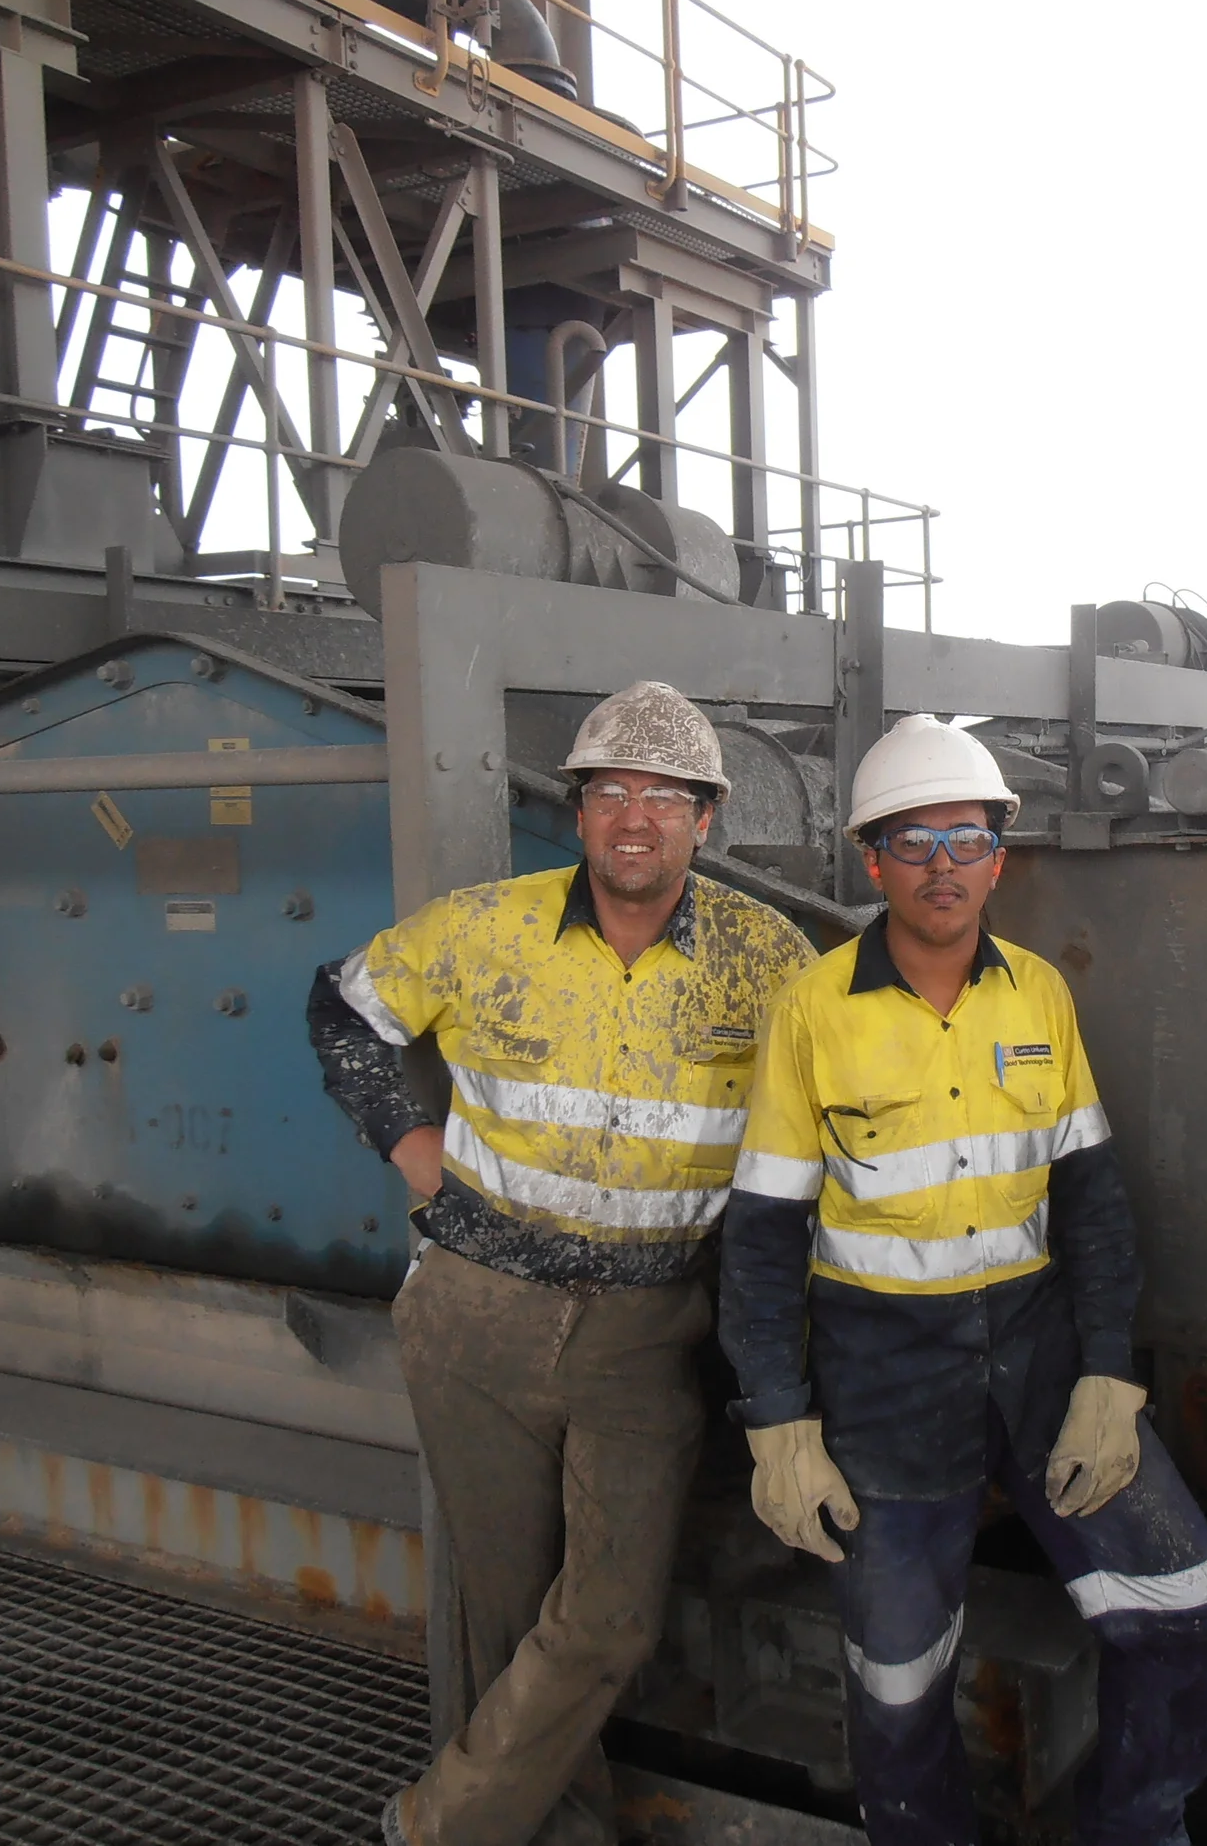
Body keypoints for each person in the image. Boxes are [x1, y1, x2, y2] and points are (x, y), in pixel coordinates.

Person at [306, 681, 818, 1846]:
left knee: (608, 1618)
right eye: (610, 793)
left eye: (666, 796)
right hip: (473, 1316)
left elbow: (833, 1117)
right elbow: (344, 1011)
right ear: (578, 812)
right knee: (506, 1613)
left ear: (707, 818)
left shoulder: (766, 958)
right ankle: (559, 1829)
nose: (635, 818)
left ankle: (437, 1825)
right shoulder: (483, 927)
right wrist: (412, 1145)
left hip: (646, 1328)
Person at [716, 714, 1207, 1846]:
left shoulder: (1037, 995)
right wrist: (778, 1423)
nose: (942, 867)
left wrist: (1108, 1374)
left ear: (1000, 855)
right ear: (871, 860)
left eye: (966, 839)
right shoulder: (812, 1010)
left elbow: (1092, 1202)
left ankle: (1133, 1829)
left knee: (1192, 1612)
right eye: (914, 841)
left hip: (1042, 1360)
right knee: (897, 1682)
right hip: (887, 1379)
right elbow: (761, 1235)